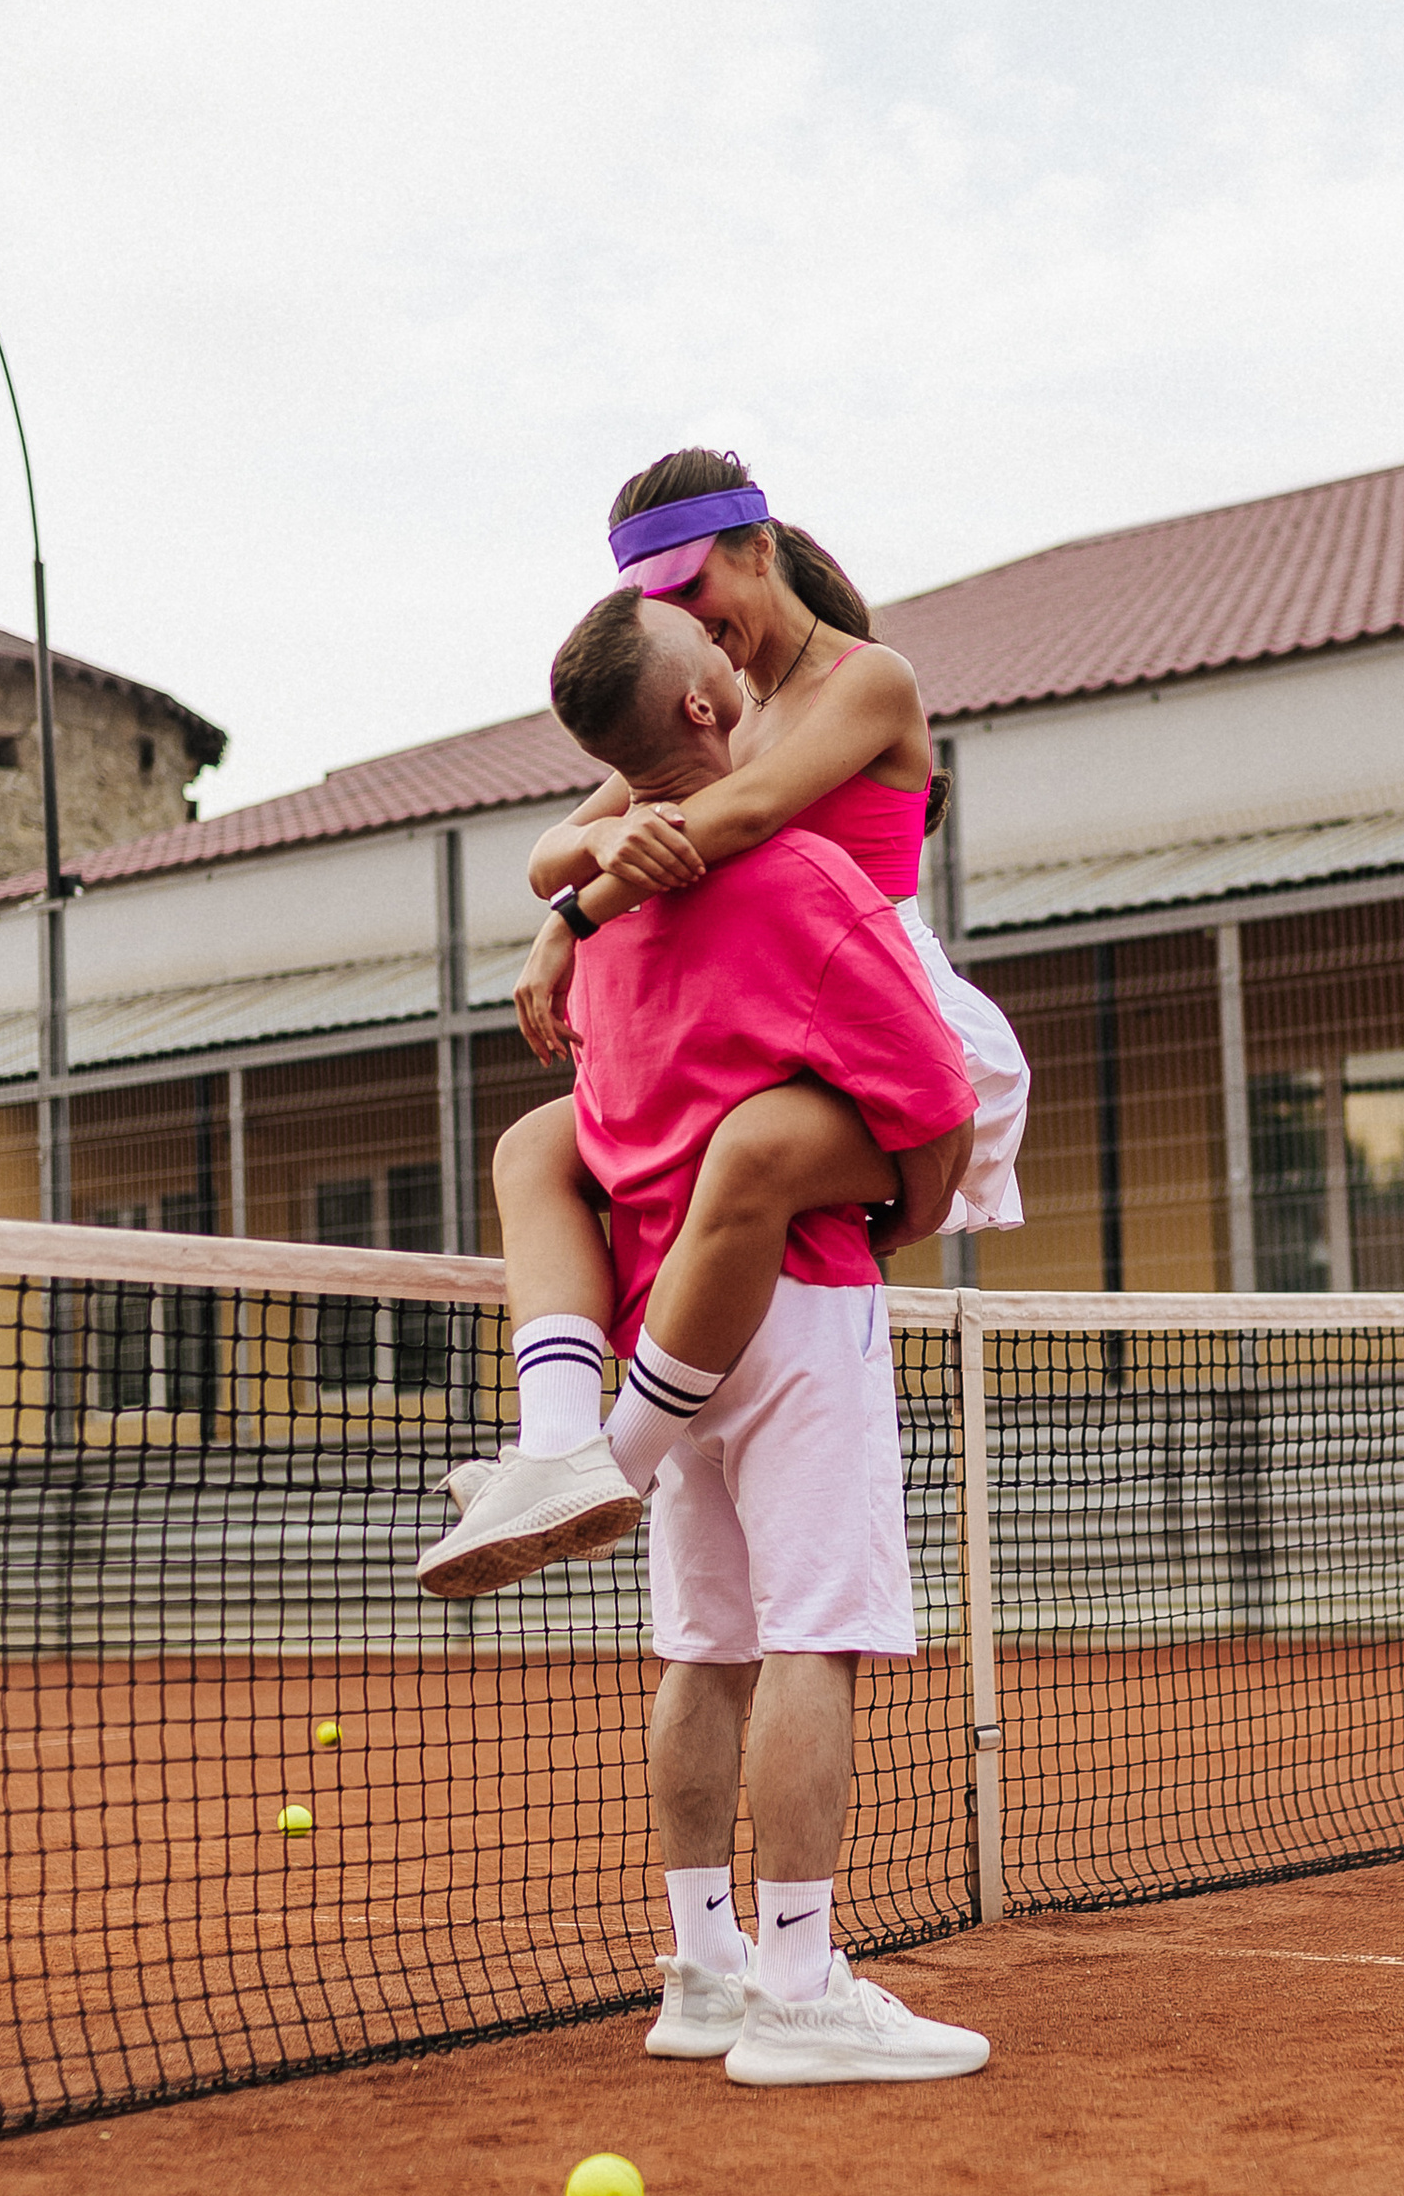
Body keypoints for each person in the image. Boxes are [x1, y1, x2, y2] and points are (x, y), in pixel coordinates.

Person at [494, 585, 990, 2087]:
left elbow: (595, 1132)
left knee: (702, 1655)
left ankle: (702, 1974)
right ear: (708, 708)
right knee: (810, 1645)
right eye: (714, 651)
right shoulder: (802, 875)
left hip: (658, 1323)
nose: (735, 650)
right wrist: (900, 1217)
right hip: (798, 1307)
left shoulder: (597, 926)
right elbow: (938, 1094)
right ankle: (796, 1991)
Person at [419, 450, 1027, 1599]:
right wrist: (592, 857)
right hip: (763, 1021)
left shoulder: (865, 680)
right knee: (536, 1147)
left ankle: (612, 1464)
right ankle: (557, 1447)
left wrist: (576, 918)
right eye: (663, 606)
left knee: (747, 1157)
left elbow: (738, 818)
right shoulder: (715, 702)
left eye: (694, 588)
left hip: (887, 1013)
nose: (690, 620)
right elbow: (550, 849)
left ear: (759, 548)